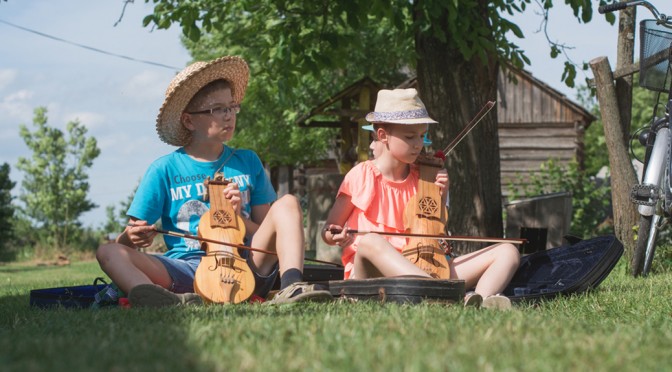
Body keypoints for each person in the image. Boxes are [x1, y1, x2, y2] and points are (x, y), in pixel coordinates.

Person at [96, 56, 332, 307]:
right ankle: (157, 298)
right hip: (184, 270)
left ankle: (292, 287)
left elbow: (268, 232)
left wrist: (239, 218)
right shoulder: (163, 169)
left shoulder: (248, 161)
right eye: (217, 109)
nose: (229, 116)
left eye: (231, 107)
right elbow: (130, 238)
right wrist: (130, 238)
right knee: (108, 251)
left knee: (288, 203)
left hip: (245, 268)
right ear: (189, 120)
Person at [322, 88, 520, 309]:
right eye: (409, 137)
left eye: (422, 135)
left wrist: (442, 196)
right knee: (370, 241)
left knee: (507, 251)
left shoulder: (425, 178)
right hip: (369, 276)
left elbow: (435, 232)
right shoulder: (361, 175)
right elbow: (329, 231)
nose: (419, 144)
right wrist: (335, 235)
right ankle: (439, 292)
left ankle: (477, 300)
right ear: (382, 135)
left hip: (425, 265)